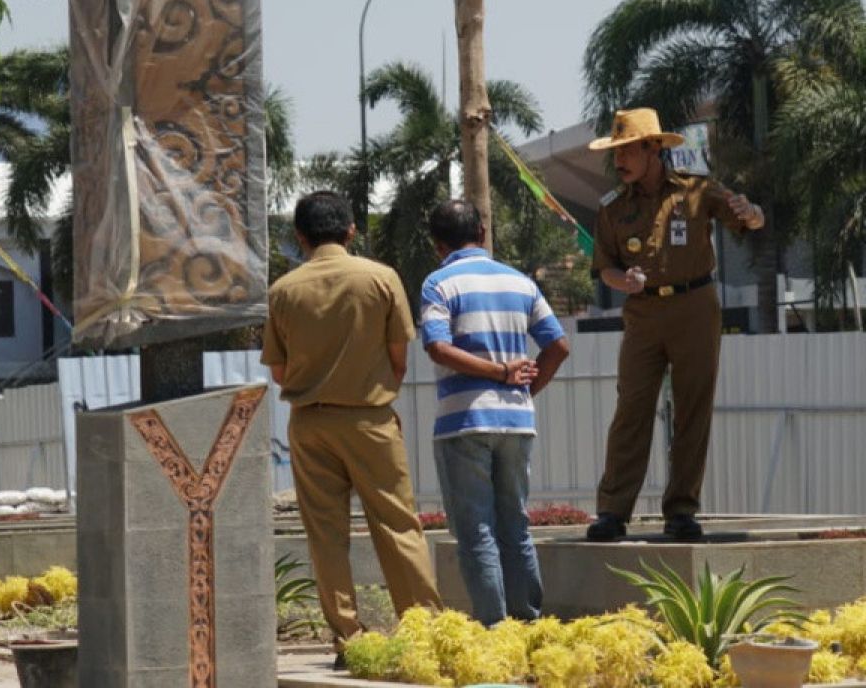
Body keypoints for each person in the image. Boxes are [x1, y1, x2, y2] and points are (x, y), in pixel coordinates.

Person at [261, 191, 442, 666]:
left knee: (326, 535)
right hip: (370, 418)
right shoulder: (381, 278)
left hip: (309, 422)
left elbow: (278, 372)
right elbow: (400, 358)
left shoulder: (282, 290)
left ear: (300, 237)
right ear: (351, 231)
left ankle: (348, 636)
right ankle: (422, 629)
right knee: (397, 525)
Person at [584, 108, 765, 543]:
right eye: (616, 153)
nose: (620, 161)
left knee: (691, 409)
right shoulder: (612, 209)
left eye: (627, 150)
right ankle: (612, 512)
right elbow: (604, 268)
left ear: (653, 148)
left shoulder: (697, 191)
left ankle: (681, 510)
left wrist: (753, 212)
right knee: (632, 409)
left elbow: (748, 218)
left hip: (695, 306)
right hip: (643, 314)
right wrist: (621, 281)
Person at [419, 199, 570, 626]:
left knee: (477, 532)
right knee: (515, 527)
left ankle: (494, 630)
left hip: (464, 422)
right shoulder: (521, 282)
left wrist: (499, 372)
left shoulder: (438, 283)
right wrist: (522, 389)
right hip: (517, 422)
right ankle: (529, 625)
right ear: (482, 233)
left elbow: (437, 346)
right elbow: (558, 346)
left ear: (437, 244)